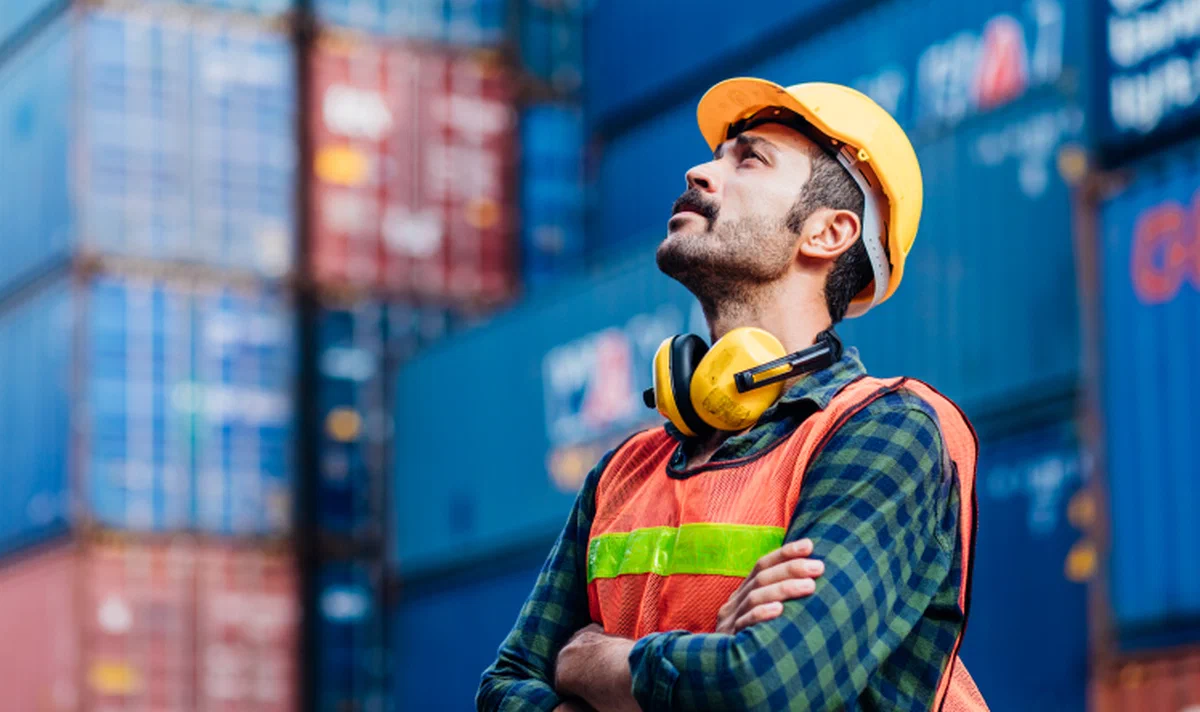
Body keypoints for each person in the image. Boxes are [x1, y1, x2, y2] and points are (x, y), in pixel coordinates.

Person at [477, 78, 988, 711]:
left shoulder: (888, 431)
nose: (698, 170)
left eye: (749, 158)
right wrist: (700, 668)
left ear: (828, 232)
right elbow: (502, 687)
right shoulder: (622, 471)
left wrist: (594, 662)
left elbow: (766, 684)